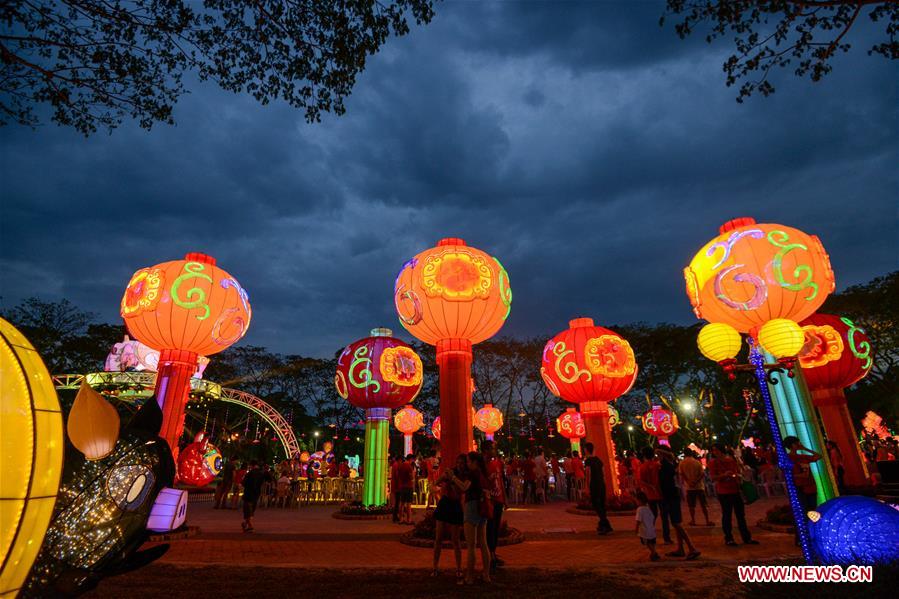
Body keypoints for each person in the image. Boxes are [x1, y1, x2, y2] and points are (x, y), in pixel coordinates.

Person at [448, 451, 492, 584]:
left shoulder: (473, 473)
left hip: (472, 507)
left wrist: (453, 477)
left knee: (471, 545)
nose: (467, 464)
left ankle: (470, 577)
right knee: (483, 543)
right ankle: (486, 575)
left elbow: (464, 487)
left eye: (468, 461)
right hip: (482, 507)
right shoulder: (484, 474)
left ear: (474, 462)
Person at [708, 443, 758, 547]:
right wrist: (724, 475)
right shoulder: (713, 463)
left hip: (735, 490)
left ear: (721, 450)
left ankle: (746, 537)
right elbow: (713, 477)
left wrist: (737, 477)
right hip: (723, 492)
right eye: (713, 450)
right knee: (727, 515)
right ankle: (729, 538)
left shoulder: (731, 460)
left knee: (740, 515)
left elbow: (738, 472)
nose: (714, 452)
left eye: (716, 450)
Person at [657, 447, 700, 560]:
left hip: (670, 496)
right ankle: (680, 548)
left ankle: (692, 548)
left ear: (662, 454)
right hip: (674, 495)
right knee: (676, 523)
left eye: (658, 454)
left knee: (677, 524)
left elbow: (664, 483)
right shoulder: (672, 464)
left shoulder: (665, 467)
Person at [432, 454, 466, 583]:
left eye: (462, 463)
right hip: (445, 504)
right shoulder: (451, 472)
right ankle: (435, 567)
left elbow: (459, 492)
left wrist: (452, 481)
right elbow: (438, 481)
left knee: (455, 540)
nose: (460, 465)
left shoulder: (464, 476)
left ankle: (459, 568)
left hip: (455, 506)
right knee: (438, 538)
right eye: (458, 463)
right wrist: (439, 483)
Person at [784, 436, 822, 529]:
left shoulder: (802, 456)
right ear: (792, 445)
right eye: (797, 443)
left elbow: (819, 456)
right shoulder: (788, 458)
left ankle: (812, 530)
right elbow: (786, 474)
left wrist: (805, 449)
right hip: (800, 487)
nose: (799, 445)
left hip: (810, 486)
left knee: (813, 510)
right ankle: (805, 531)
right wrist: (798, 476)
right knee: (804, 511)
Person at [637, 447, 670, 544]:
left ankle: (647, 536)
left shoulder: (642, 467)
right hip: (660, 494)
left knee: (651, 517)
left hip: (650, 496)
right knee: (664, 517)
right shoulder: (658, 465)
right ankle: (666, 538)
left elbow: (641, 481)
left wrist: (650, 486)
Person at [482, 441, 506, 572]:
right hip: (489, 502)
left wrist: (505, 500)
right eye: (492, 448)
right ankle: (489, 557)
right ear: (486, 450)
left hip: (498, 500)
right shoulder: (482, 466)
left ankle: (493, 554)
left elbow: (500, 481)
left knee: (495, 529)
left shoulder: (497, 463)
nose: (494, 450)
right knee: (489, 529)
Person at [583, 442, 612, 535]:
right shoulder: (599, 460)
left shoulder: (588, 461)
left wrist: (587, 487)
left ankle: (606, 525)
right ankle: (602, 525)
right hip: (601, 484)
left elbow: (588, 474)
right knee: (602, 505)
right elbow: (603, 473)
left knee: (596, 505)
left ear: (586, 450)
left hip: (594, 485)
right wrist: (604, 483)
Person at [678, 449, 713, 526]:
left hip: (689, 487)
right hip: (699, 487)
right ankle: (707, 520)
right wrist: (696, 481)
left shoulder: (682, 463)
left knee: (691, 505)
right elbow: (702, 474)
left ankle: (693, 520)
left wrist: (689, 482)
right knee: (703, 504)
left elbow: (682, 474)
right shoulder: (697, 462)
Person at [634, 491, 660, 561]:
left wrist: (636, 529)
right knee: (652, 542)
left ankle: (654, 553)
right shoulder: (648, 508)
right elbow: (652, 517)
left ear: (639, 500)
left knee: (647, 543)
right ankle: (654, 552)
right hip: (651, 530)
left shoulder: (639, 509)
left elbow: (638, 520)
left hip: (644, 531)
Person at [241, 461, 265, 532]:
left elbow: (244, 483)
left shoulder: (250, 473)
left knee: (247, 509)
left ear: (252, 465)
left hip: (248, 493)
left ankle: (250, 526)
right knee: (252, 509)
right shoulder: (261, 474)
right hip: (256, 493)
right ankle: (246, 523)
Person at [396, 454, 416, 525]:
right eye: (413, 460)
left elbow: (398, 475)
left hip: (402, 486)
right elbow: (411, 477)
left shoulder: (401, 466)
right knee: (408, 504)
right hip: (408, 487)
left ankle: (401, 519)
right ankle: (409, 520)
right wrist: (413, 477)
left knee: (401, 503)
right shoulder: (409, 466)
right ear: (411, 459)